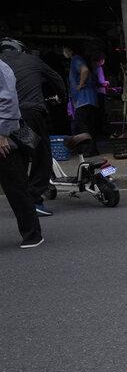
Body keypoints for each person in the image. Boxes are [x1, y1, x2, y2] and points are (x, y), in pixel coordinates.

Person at [0, 38, 66, 216]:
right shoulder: (33, 60)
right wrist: (61, 97)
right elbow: (57, 79)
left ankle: (24, 203)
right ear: (21, 49)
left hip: (8, 121)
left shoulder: (1, 64)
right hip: (29, 115)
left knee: (19, 158)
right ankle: (34, 200)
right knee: (41, 157)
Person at [0, 58, 44, 248]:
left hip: (6, 136)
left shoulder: (1, 67)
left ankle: (32, 234)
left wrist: (1, 133)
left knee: (16, 187)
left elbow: (8, 101)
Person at [64, 44, 100, 156]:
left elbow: (84, 70)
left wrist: (80, 84)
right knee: (88, 125)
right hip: (90, 100)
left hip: (83, 100)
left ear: (70, 50)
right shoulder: (80, 59)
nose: (63, 52)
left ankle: (88, 149)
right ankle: (92, 149)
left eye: (64, 50)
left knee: (82, 125)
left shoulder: (76, 59)